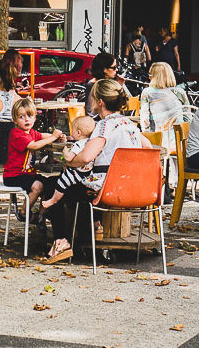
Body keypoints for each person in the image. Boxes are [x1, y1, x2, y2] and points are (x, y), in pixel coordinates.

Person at [42, 79, 148, 263]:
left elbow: (85, 157)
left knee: (52, 185)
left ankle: (62, 242)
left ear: (100, 102)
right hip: (132, 188)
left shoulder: (104, 125)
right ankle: (90, 232)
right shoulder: (130, 124)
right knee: (74, 187)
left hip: (106, 189)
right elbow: (148, 148)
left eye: (92, 96)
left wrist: (70, 162)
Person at [4, 98, 63, 207]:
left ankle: (41, 214)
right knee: (38, 186)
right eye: (21, 117)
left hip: (28, 174)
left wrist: (58, 137)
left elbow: (43, 136)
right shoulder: (17, 134)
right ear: (15, 120)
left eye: (29, 116)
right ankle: (24, 213)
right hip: (14, 176)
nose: (26, 120)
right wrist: (53, 136)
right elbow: (34, 146)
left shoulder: (31, 132)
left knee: (50, 184)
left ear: (35, 118)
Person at [40, 115, 94, 212]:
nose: (71, 132)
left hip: (76, 173)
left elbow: (69, 157)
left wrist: (65, 151)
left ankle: (53, 200)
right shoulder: (90, 143)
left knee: (61, 182)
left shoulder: (78, 144)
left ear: (78, 132)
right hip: (87, 174)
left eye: (72, 130)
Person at [139, 62, 187, 134]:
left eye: (150, 74)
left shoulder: (148, 93)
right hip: (179, 139)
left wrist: (147, 136)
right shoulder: (180, 92)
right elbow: (187, 118)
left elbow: (145, 120)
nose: (149, 77)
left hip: (158, 139)